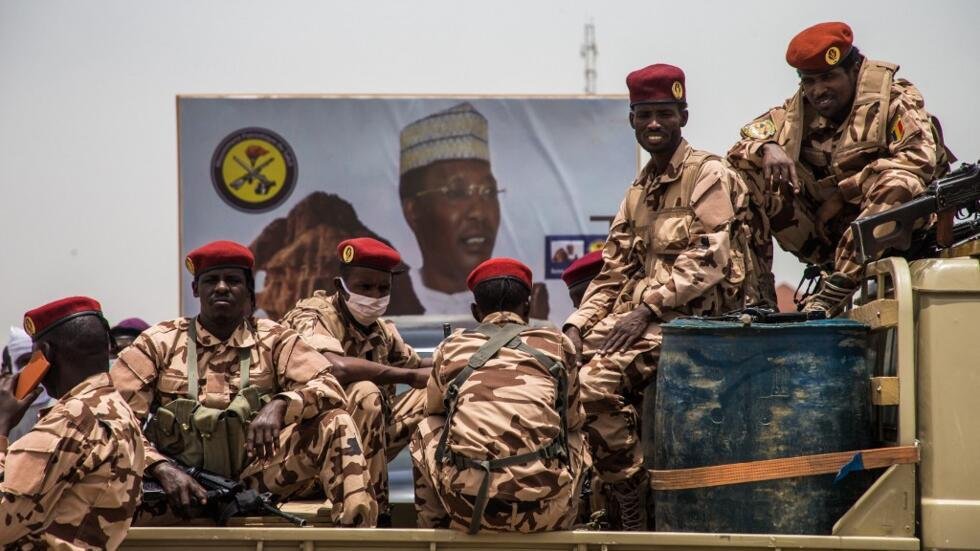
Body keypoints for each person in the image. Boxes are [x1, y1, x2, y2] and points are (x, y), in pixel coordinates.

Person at [564, 64, 752, 530]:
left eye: (664, 114)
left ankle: (629, 491)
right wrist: (575, 327)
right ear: (631, 120)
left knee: (592, 385)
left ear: (682, 116)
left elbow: (710, 256)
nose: (654, 123)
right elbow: (613, 271)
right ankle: (591, 491)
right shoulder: (637, 193)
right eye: (644, 114)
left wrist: (647, 307)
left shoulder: (708, 174)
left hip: (699, 324)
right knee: (557, 369)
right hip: (649, 322)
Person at [110, 240, 377, 527]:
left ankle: (358, 534)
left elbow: (329, 386)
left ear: (249, 290)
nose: (221, 287)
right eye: (211, 280)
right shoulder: (159, 342)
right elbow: (114, 418)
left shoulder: (274, 339)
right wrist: (160, 467)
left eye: (233, 280)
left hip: (258, 477)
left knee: (337, 422)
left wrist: (281, 404)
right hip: (181, 485)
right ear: (196, 289)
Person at [727, 21, 951, 315]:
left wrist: (844, 194)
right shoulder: (797, 113)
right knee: (744, 176)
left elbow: (918, 159)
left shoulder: (893, 102)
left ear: (854, 69)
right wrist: (767, 147)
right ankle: (760, 302)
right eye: (809, 81)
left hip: (899, 231)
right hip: (828, 237)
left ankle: (835, 290)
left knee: (900, 181)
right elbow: (737, 151)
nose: (818, 90)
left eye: (828, 77)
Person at [411, 257, 587, 533]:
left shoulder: (451, 347)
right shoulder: (557, 344)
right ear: (528, 307)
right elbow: (573, 420)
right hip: (545, 514)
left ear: (475, 311)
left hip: (470, 513)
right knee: (577, 436)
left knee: (426, 427)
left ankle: (433, 530)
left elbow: (433, 409)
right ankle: (570, 523)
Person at [279, 237, 431, 525]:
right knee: (365, 392)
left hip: (363, 444)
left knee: (436, 391)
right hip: (312, 448)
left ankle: (439, 508)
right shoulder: (312, 315)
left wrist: (465, 357)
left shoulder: (379, 330)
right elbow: (333, 366)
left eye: (383, 288)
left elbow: (416, 364)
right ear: (340, 286)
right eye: (365, 287)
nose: (374, 296)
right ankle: (374, 516)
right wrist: (409, 377)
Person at [0, 296, 145, 549]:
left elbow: (4, 520)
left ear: (45, 354)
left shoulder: (73, 418)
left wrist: (1, 426)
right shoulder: (118, 410)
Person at [399, 102, 549, 318]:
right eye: (457, 193)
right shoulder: (392, 301)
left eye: (489, 191)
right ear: (413, 211)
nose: (479, 212)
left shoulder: (522, 303)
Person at [3, 326, 55, 442]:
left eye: (36, 362)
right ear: (9, 367)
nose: (31, 369)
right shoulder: (3, 412)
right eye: (26, 362)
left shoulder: (60, 404)